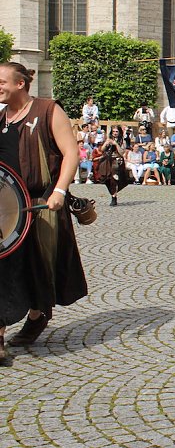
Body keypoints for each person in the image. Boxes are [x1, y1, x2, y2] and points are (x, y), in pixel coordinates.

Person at [0, 62, 87, 363]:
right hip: (7, 209)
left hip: (40, 203)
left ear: (20, 84)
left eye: (2, 81)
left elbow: (71, 153)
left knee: (39, 268)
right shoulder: (2, 118)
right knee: (4, 269)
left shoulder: (48, 110)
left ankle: (37, 314)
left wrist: (60, 191)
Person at [93, 126, 127, 206]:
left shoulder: (122, 141)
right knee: (105, 178)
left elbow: (122, 152)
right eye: (114, 131)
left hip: (117, 161)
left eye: (116, 132)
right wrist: (106, 143)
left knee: (114, 179)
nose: (115, 133)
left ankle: (114, 197)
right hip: (107, 161)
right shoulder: (108, 139)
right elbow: (102, 150)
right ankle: (113, 194)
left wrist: (116, 144)